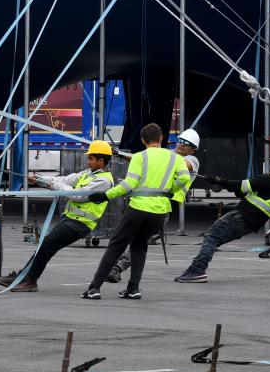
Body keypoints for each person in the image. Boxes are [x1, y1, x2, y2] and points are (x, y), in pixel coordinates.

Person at [80, 123, 191, 300]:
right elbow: (185, 177)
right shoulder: (175, 158)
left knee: (116, 245)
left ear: (142, 140)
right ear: (161, 138)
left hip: (138, 208)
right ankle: (133, 288)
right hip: (159, 211)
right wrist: (169, 187)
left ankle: (94, 288)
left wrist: (106, 195)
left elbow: (128, 185)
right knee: (139, 246)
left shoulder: (140, 157)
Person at [0, 141, 115, 292]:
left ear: (101, 160)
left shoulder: (103, 181)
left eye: (91, 158)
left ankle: (30, 281)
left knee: (47, 245)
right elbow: (64, 180)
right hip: (70, 219)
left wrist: (53, 185)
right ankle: (22, 277)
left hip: (81, 224)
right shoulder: (89, 173)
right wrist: (40, 179)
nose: (88, 161)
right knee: (44, 246)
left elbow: (78, 195)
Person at [175, 157, 270, 283]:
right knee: (214, 240)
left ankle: (197, 271)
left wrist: (219, 181)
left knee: (211, 237)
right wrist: (226, 185)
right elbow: (244, 192)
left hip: (241, 216)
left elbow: (241, 186)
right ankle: (193, 269)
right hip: (249, 226)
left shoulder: (269, 179)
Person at [107, 128, 201, 283]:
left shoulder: (192, 161)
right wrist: (120, 154)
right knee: (129, 237)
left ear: (194, 149)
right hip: (148, 200)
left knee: (139, 239)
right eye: (181, 141)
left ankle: (118, 269)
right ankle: (115, 269)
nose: (182, 145)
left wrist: (158, 157)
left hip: (165, 204)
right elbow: (145, 159)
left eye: (187, 144)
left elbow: (177, 163)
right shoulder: (169, 155)